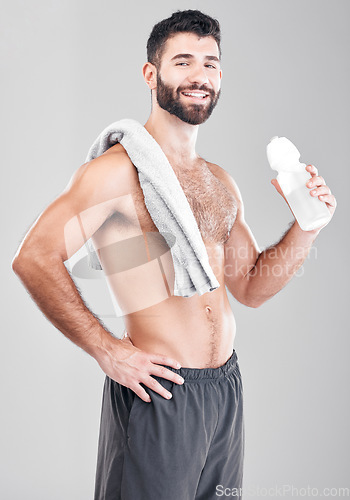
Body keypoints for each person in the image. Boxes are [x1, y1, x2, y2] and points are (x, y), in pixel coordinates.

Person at [11, 9, 336, 500]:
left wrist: (307, 227)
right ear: (151, 74)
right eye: (183, 61)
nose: (199, 76)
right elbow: (33, 257)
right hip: (160, 393)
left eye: (210, 63)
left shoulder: (219, 182)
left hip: (224, 393)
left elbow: (250, 286)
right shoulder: (115, 173)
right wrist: (108, 350)